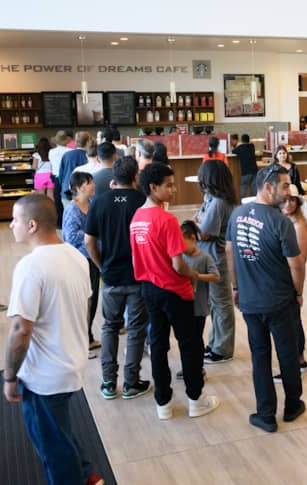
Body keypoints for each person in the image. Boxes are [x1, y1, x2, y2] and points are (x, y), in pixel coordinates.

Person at [3, 194, 103, 485]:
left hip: (43, 375)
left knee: (52, 448)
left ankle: (77, 477)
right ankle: (88, 475)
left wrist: (10, 375)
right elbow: (84, 308)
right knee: (58, 429)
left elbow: (21, 329)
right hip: (71, 363)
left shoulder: (30, 266)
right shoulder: (76, 256)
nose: (11, 225)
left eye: (15, 220)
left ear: (32, 225)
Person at [130, 162, 220, 420]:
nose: (174, 189)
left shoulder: (136, 219)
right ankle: (195, 399)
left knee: (158, 346)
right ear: (152, 187)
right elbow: (179, 264)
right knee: (189, 344)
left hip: (149, 289)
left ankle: (163, 404)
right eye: (168, 185)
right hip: (175, 291)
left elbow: (138, 259)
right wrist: (193, 275)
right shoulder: (167, 219)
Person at [225, 164, 306, 433]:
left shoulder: (237, 215)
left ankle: (265, 414)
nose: (287, 191)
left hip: (249, 300)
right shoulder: (280, 222)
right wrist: (298, 293)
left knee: (260, 356)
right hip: (279, 300)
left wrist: (236, 287)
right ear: (268, 187)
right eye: (284, 186)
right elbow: (296, 265)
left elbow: (229, 252)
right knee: (287, 353)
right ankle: (293, 405)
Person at [85, 157, 151, 401]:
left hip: (111, 277)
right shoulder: (143, 202)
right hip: (138, 276)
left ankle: (109, 383)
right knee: (135, 330)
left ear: (114, 176)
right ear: (136, 177)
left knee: (109, 327)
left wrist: (102, 265)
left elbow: (88, 241)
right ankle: (131, 382)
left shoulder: (99, 202)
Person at [195, 160, 237, 364]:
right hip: (210, 257)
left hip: (216, 259)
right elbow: (197, 220)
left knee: (221, 304)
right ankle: (215, 343)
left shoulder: (219, 202)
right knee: (214, 303)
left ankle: (222, 349)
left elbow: (202, 232)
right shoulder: (212, 198)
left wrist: (198, 222)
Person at [61, 172, 100, 359]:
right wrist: (91, 237)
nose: (93, 185)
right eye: (90, 183)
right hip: (78, 261)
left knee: (92, 300)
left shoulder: (91, 205)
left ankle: (88, 337)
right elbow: (70, 237)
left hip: (93, 258)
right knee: (83, 302)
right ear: (80, 187)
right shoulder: (72, 209)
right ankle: (80, 345)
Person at [274, 184, 307, 381]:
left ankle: (298, 360)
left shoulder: (299, 225)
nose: (288, 204)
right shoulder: (282, 221)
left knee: (293, 321)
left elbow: (300, 260)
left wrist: (298, 290)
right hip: (281, 278)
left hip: (290, 280)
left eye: (292, 200)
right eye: (285, 200)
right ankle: (298, 359)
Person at [178, 220, 219, 380]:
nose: (180, 247)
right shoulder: (179, 257)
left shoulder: (204, 257)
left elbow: (216, 276)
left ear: (193, 239)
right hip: (182, 304)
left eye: (183, 243)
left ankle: (198, 367)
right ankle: (188, 366)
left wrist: (196, 276)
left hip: (199, 306)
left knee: (196, 338)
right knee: (184, 338)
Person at [58, 131, 90, 208]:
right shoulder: (89, 156)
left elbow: (61, 176)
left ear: (76, 141)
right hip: (84, 193)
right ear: (88, 141)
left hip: (67, 192)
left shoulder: (67, 155)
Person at [49, 130, 72, 228]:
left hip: (55, 177)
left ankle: (59, 223)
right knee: (68, 199)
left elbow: (51, 165)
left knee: (57, 200)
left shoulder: (51, 151)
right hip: (67, 177)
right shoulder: (70, 151)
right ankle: (69, 221)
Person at [232, 133, 259, 200]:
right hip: (254, 171)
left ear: (241, 140)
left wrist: (236, 145)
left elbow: (233, 152)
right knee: (254, 188)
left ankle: (242, 203)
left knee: (243, 187)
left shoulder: (240, 148)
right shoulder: (252, 146)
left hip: (245, 172)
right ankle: (256, 202)